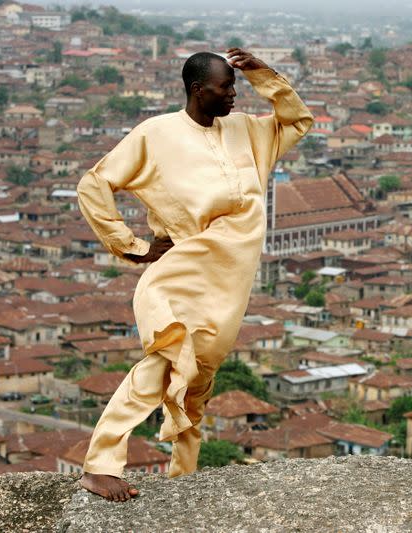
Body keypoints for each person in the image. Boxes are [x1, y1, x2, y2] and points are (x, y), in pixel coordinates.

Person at [75, 48, 313, 502]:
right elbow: (95, 184)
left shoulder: (246, 131)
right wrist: (135, 247)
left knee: (201, 373)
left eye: (236, 86)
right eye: (226, 87)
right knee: (169, 356)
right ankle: (100, 463)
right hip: (186, 268)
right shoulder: (156, 135)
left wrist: (263, 74)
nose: (234, 95)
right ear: (197, 89)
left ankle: (183, 473)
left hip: (231, 278)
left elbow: (297, 120)